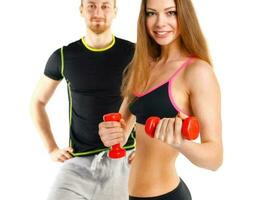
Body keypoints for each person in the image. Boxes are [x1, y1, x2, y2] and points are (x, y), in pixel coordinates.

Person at [98, 0, 223, 199]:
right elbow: (122, 131)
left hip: (166, 195)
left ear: (184, 15)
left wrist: (181, 143)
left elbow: (215, 158)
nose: (160, 23)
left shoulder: (197, 72)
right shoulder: (140, 66)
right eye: (151, 13)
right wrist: (111, 134)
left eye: (170, 13)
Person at [30, 0, 136, 199]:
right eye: (91, 6)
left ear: (115, 12)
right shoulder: (63, 56)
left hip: (124, 158)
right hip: (78, 162)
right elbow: (37, 102)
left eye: (105, 6)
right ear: (81, 10)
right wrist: (52, 148)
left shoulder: (134, 53)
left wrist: (149, 148)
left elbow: (152, 97)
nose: (98, 12)